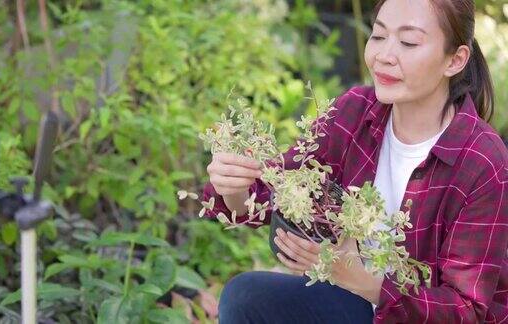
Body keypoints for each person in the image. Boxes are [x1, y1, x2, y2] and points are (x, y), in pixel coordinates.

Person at [202, 0, 508, 323]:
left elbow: (466, 310)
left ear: (455, 59)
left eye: (408, 42)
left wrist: (361, 280)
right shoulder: (357, 113)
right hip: (361, 308)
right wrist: (235, 187)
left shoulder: (483, 161)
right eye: (378, 36)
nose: (384, 56)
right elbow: (273, 192)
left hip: (415, 315)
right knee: (246, 297)